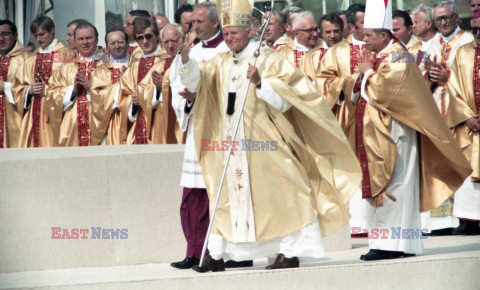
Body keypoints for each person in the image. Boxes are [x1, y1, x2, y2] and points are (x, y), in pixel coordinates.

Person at [177, 0, 361, 272]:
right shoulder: (219, 61)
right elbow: (194, 82)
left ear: (249, 31)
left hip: (266, 143)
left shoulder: (268, 57)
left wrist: (261, 81)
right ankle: (215, 254)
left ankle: (290, 251)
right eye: (226, 35)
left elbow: (291, 99)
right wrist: (184, 59)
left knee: (288, 194)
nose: (229, 40)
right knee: (224, 196)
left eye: (234, 34)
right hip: (230, 144)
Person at [355, 0, 471, 261]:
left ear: (384, 35)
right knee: (385, 186)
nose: (365, 42)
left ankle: (392, 244)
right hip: (379, 133)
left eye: (369, 36)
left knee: (395, 186)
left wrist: (367, 74)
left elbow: (388, 92)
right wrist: (362, 76)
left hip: (396, 134)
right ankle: (388, 243)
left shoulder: (398, 55)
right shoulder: (380, 55)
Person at [169, 1, 229, 270]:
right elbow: (177, 87)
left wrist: (201, 95)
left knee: (217, 195)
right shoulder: (190, 52)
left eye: (199, 22)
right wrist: (190, 100)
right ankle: (194, 250)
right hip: (197, 130)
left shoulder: (230, 50)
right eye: (191, 23)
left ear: (216, 22)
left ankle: (216, 253)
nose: (194, 28)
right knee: (192, 196)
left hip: (223, 132)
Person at [316, 4, 369, 237]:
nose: (370, 29)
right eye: (364, 24)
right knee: (352, 168)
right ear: (351, 26)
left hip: (379, 118)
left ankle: (380, 223)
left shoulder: (382, 47)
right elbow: (324, 82)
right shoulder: (336, 51)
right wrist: (352, 83)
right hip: (347, 117)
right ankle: (357, 222)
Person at [446, 11, 480, 235]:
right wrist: (467, 116)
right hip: (469, 124)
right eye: (475, 29)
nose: (478, 34)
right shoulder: (463, 52)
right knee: (468, 174)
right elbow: (454, 87)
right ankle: (468, 219)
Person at [13, 16, 71, 147]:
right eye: (35, 36)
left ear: (52, 30)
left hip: (57, 111)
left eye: (42, 34)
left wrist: (50, 91)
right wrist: (29, 90)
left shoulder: (66, 55)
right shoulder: (32, 58)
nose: (39, 39)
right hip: (35, 112)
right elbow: (18, 86)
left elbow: (72, 86)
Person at [118, 17, 171, 144]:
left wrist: (160, 88)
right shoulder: (134, 65)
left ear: (157, 36)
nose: (145, 41)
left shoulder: (167, 59)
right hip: (138, 124)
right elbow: (123, 96)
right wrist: (132, 102)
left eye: (148, 36)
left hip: (159, 121)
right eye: (140, 38)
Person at [50, 22, 103, 147]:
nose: (85, 42)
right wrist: (72, 91)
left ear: (97, 39)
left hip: (101, 125)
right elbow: (51, 95)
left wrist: (93, 88)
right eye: (81, 39)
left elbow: (117, 92)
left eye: (89, 38)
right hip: (72, 129)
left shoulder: (107, 63)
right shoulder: (66, 66)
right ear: (75, 40)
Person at [426, 1, 474, 119]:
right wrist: (430, 76)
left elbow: (474, 75)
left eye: (446, 18)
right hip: (436, 105)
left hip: (461, 108)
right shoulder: (433, 44)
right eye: (438, 19)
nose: (443, 23)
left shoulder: (468, 41)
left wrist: (449, 77)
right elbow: (424, 76)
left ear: (456, 17)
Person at [89, 28, 130, 145]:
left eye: (120, 42)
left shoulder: (136, 64)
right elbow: (97, 98)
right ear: (107, 47)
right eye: (112, 43)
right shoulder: (100, 70)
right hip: (111, 122)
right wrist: (121, 84)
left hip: (135, 119)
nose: (117, 46)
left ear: (127, 43)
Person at [150, 24, 185, 144]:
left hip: (183, 116)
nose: (170, 46)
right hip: (162, 117)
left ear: (182, 39)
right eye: (166, 42)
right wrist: (158, 90)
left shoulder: (190, 61)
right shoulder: (158, 65)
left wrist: (165, 86)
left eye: (174, 41)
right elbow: (143, 90)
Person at [0, 20, 30, 148]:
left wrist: (5, 87)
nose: (1, 39)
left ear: (15, 35)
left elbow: (31, 89)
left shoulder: (27, 58)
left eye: (5, 34)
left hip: (16, 118)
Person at [300, 12, 344, 82]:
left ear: (342, 31)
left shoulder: (353, 51)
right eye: (328, 32)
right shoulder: (310, 57)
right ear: (322, 33)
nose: (332, 36)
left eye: (336, 31)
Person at [412, 4, 438, 72]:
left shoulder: (441, 42)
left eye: (416, 22)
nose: (413, 26)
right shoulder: (413, 45)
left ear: (428, 24)